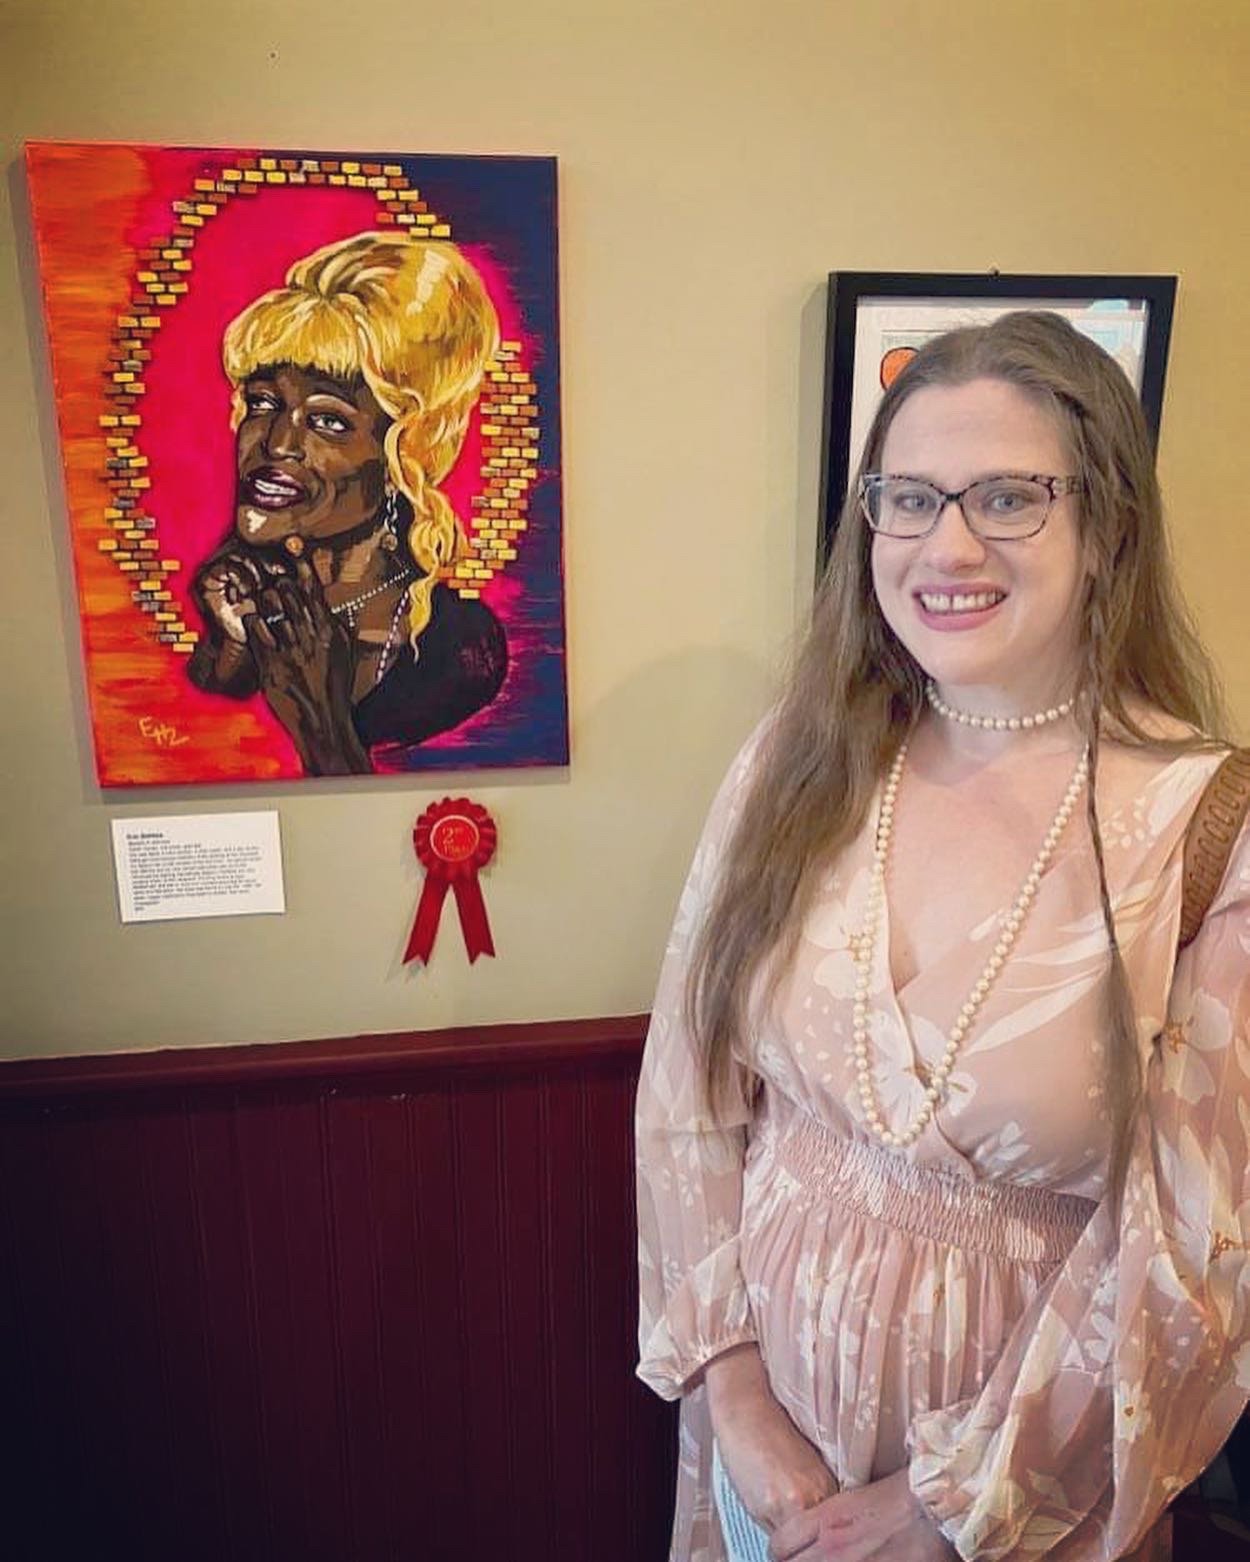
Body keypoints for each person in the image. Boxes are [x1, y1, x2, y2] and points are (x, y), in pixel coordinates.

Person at [636, 311, 1250, 1561]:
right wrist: (731, 1388)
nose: (946, 544)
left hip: (1024, 1504)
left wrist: (943, 1507)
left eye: (1008, 497)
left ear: (1106, 529)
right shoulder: (794, 763)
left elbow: (1193, 1255)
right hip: (759, 1458)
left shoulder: (1204, 829)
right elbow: (687, 1084)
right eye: (908, 498)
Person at [187, 232, 507, 775]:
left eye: (327, 421)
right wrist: (232, 653)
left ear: (404, 452)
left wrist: (321, 719)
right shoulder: (235, 603)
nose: (277, 444)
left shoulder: (458, 653)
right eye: (263, 403)